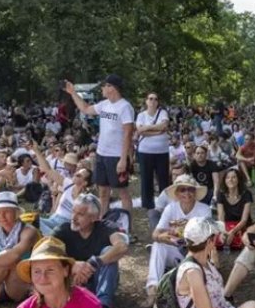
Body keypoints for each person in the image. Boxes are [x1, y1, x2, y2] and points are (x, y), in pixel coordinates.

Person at [64, 75, 134, 222]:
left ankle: (127, 225)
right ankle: (102, 221)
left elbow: (128, 133)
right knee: (103, 191)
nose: (102, 88)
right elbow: (85, 108)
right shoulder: (104, 104)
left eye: (105, 86)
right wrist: (72, 93)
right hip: (101, 154)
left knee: (122, 192)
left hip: (116, 156)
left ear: (112, 88)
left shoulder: (125, 107)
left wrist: (123, 159)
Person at [176, 217, 255, 308]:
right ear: (209, 242)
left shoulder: (204, 260)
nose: (218, 238)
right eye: (215, 236)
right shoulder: (192, 272)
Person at [50, 193, 129, 308]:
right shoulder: (64, 229)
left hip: (99, 280)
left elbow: (122, 246)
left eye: (80, 214)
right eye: (73, 212)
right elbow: (45, 248)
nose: (73, 218)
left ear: (94, 218)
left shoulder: (105, 227)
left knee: (109, 250)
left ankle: (103, 307)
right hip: (73, 280)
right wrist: (73, 265)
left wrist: (95, 262)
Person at [141, 175, 211, 308]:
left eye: (190, 189)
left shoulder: (204, 210)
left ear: (195, 192)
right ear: (177, 193)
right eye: (183, 190)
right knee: (158, 244)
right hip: (176, 250)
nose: (187, 193)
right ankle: (152, 290)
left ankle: (178, 294)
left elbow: (207, 239)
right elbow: (155, 234)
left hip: (195, 254)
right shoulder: (171, 208)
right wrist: (164, 238)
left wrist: (187, 238)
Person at [10, 236, 107, 308]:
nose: (43, 278)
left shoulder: (89, 306)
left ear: (65, 270)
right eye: (37, 271)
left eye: (50, 270)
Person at [32, 140, 93, 235]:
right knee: (31, 219)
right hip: (53, 219)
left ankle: (51, 238)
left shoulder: (86, 198)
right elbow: (48, 170)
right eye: (77, 172)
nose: (76, 173)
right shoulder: (68, 183)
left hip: (66, 226)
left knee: (39, 227)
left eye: (79, 175)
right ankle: (49, 237)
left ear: (85, 183)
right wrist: (36, 150)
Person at [136, 91, 170, 210]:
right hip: (145, 151)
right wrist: (157, 131)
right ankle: (147, 204)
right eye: (150, 99)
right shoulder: (141, 115)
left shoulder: (163, 113)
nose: (153, 101)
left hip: (162, 151)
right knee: (146, 178)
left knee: (163, 178)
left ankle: (164, 204)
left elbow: (164, 126)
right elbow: (140, 131)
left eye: (155, 99)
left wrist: (147, 127)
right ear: (146, 101)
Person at [216, 168, 253, 250]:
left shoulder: (246, 194)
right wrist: (223, 232)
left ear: (239, 179)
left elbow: (244, 219)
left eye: (234, 177)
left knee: (247, 239)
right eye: (228, 177)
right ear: (224, 180)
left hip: (243, 225)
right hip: (227, 224)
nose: (230, 180)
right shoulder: (221, 194)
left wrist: (232, 232)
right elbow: (221, 215)